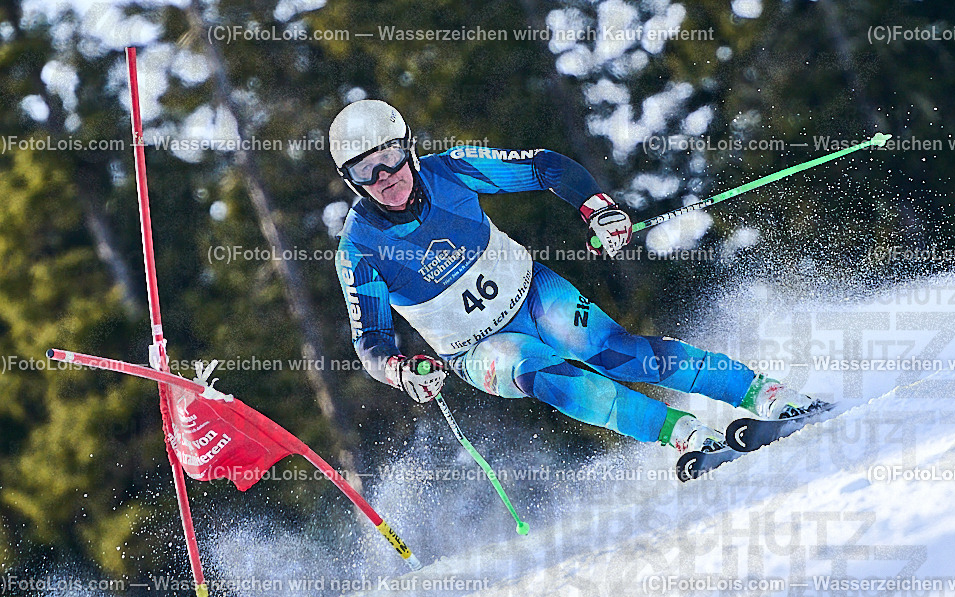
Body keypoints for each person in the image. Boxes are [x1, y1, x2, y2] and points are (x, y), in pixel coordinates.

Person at [329, 99, 820, 455]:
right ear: (352, 182)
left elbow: (545, 167)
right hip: (473, 350)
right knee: (538, 372)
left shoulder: (451, 171)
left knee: (620, 354)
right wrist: (399, 371)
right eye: (365, 171)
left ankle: (764, 393)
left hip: (531, 294)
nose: (385, 178)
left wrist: (597, 208)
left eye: (390, 157)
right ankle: (680, 432)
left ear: (409, 150)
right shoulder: (359, 250)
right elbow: (372, 341)